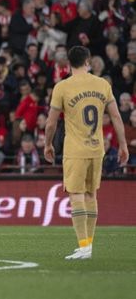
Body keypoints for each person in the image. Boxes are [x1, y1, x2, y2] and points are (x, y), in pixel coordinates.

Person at [44, 46, 129, 260]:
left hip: (75, 149)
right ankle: (87, 246)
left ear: (68, 64)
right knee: (91, 194)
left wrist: (48, 145)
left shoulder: (62, 87)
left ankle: (83, 247)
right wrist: (123, 145)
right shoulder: (102, 84)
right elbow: (117, 117)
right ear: (87, 61)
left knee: (76, 195)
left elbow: (51, 123)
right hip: (97, 149)